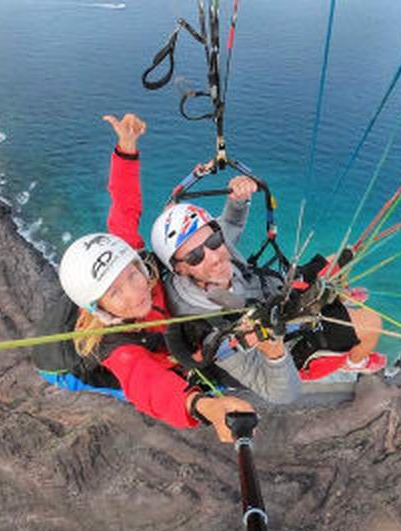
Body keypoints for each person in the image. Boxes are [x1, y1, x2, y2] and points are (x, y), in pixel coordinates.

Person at [32, 113, 289, 442]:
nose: (135, 291)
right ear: (101, 308)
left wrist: (127, 148)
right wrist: (203, 406)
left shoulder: (132, 258)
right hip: (60, 366)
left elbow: (124, 209)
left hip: (92, 307)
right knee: (188, 369)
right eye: (116, 293)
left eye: (132, 276)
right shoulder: (115, 346)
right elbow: (148, 385)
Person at [150, 182, 387, 381]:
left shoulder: (217, 247)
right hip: (284, 340)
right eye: (195, 257)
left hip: (275, 290)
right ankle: (355, 361)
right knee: (373, 323)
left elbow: (230, 224)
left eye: (213, 241)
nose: (213, 257)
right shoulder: (196, 313)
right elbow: (220, 347)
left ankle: (332, 295)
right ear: (179, 269)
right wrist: (302, 308)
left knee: (338, 259)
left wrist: (238, 198)